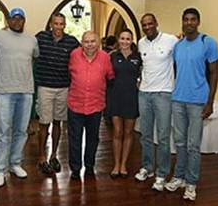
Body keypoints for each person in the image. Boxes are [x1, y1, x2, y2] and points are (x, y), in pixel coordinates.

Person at [165, 8, 218, 201]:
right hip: (178, 100)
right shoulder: (178, 46)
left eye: (192, 19)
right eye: (186, 19)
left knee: (193, 145)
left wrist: (210, 101)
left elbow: (214, 73)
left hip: (198, 102)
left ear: (198, 22)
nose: (189, 23)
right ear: (182, 22)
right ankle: (179, 177)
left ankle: (191, 183)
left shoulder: (208, 42)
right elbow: (175, 70)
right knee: (179, 143)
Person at [0, 8, 39, 187]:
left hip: (26, 91)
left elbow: (35, 56)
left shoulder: (32, 40)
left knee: (21, 131)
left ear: (24, 21)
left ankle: (15, 164)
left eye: (21, 19)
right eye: (14, 18)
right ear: (8, 20)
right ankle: (0, 170)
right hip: (4, 91)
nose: (17, 22)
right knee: (3, 131)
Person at [134, 13, 178, 191]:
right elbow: (143, 65)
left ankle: (162, 174)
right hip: (144, 94)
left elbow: (181, 59)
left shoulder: (171, 40)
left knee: (163, 136)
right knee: (145, 135)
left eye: (150, 23)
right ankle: (148, 167)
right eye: (144, 25)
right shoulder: (141, 43)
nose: (147, 27)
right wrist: (139, 80)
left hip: (163, 94)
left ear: (156, 23)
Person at [35, 12, 79, 175]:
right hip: (45, 87)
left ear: (64, 25)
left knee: (58, 123)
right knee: (44, 124)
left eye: (61, 24)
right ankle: (41, 157)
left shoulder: (72, 41)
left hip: (63, 88)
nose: (58, 27)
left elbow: (82, 57)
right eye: (56, 23)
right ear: (51, 24)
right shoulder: (41, 37)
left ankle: (54, 155)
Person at [67, 31, 115, 180]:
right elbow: (69, 73)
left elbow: (110, 76)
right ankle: (75, 169)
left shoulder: (106, 58)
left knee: (93, 138)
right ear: (82, 43)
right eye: (86, 41)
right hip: (75, 104)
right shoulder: (74, 55)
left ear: (98, 43)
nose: (89, 45)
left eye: (92, 41)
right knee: (74, 139)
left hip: (95, 105)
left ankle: (89, 166)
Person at [109, 29, 142, 179]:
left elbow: (144, 74)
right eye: (122, 38)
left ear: (132, 40)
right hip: (115, 97)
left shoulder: (138, 57)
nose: (125, 41)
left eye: (128, 39)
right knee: (117, 132)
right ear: (118, 40)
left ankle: (124, 164)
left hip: (132, 98)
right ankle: (116, 164)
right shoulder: (112, 56)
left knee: (128, 132)